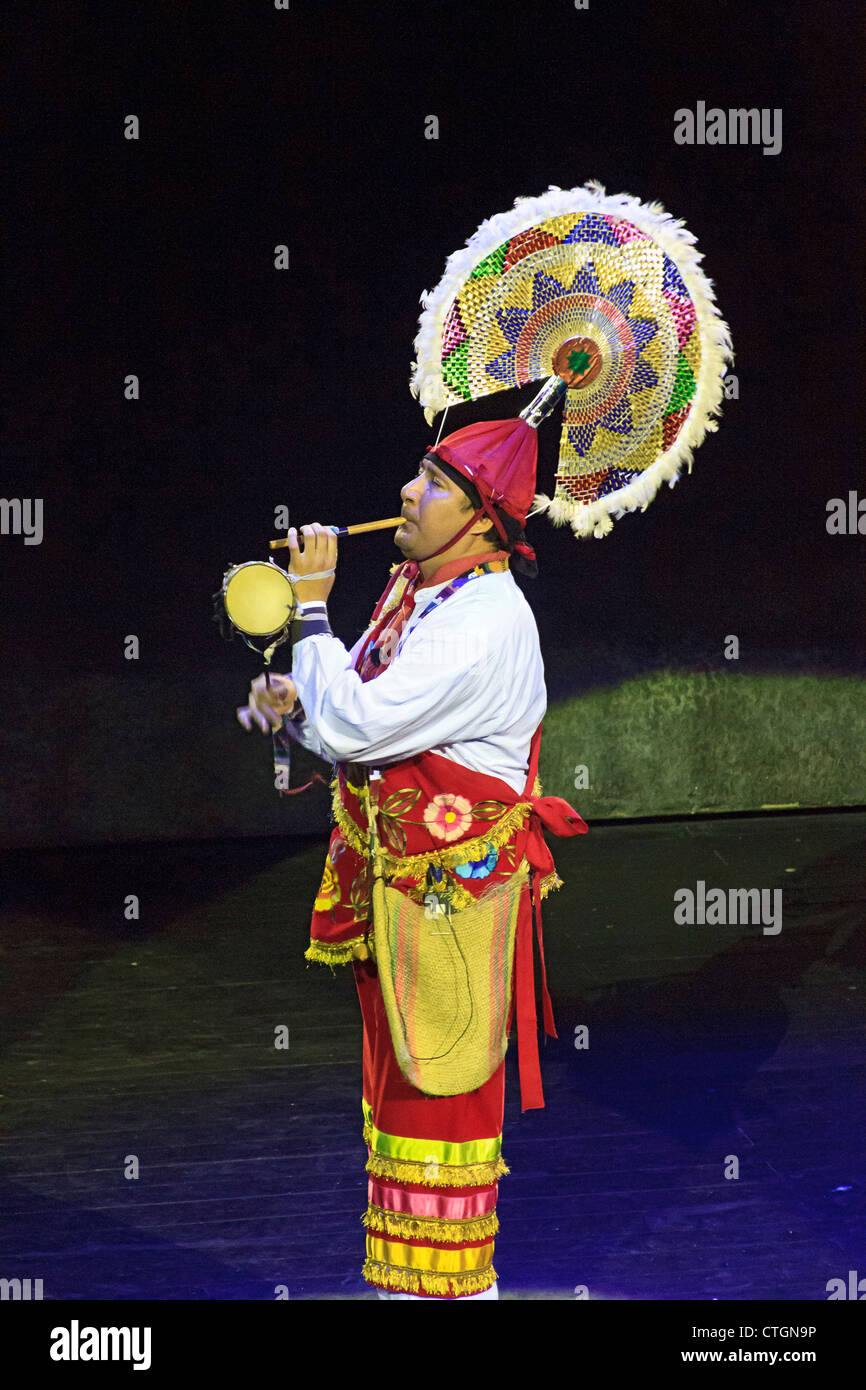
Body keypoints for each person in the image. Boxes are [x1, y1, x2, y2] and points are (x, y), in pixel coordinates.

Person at [238, 416, 587, 1299]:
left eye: (433, 484)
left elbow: (359, 722)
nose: (407, 491)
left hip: (448, 911)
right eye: (419, 474)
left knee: (442, 1110)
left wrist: (312, 608)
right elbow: (350, 722)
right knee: (402, 1114)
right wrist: (295, 702)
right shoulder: (416, 591)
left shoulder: (486, 619)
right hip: (401, 904)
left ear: (480, 521)